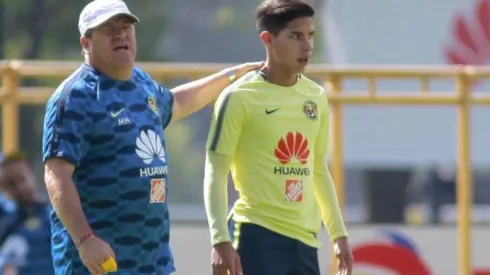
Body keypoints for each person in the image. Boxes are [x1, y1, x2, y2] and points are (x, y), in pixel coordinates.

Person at [41, 0, 262, 274]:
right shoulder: (76, 96)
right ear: (86, 43)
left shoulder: (142, 83)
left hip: (152, 262)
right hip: (98, 264)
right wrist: (85, 240)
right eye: (108, 29)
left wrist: (230, 77)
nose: (120, 34)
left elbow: (178, 102)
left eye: (126, 27)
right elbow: (56, 175)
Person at [203, 0, 354, 275]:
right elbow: (215, 170)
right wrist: (219, 239)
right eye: (296, 36)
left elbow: (318, 169)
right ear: (268, 39)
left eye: (310, 36)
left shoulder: (316, 97)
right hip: (257, 235)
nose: (307, 46)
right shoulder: (238, 97)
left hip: (306, 242)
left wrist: (338, 234)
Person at [0, 152, 53, 275]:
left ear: (31, 174)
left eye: (22, 178)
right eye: (11, 184)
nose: (20, 187)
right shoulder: (6, 225)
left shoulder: (54, 213)